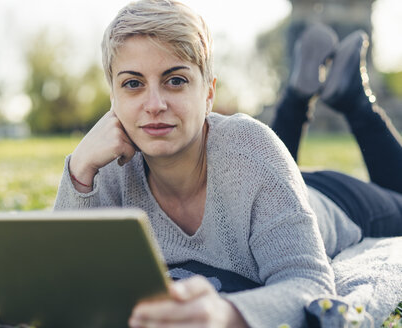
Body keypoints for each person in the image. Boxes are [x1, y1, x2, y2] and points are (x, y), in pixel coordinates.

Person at [54, 1, 402, 327]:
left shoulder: (248, 149)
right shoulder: (109, 166)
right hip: (267, 181)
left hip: (338, 202)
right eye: (133, 83)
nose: (154, 103)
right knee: (247, 166)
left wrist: (228, 313)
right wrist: (79, 170)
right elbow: (60, 282)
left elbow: (307, 282)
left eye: (176, 80)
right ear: (113, 97)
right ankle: (298, 95)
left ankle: (354, 100)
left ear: (208, 93)